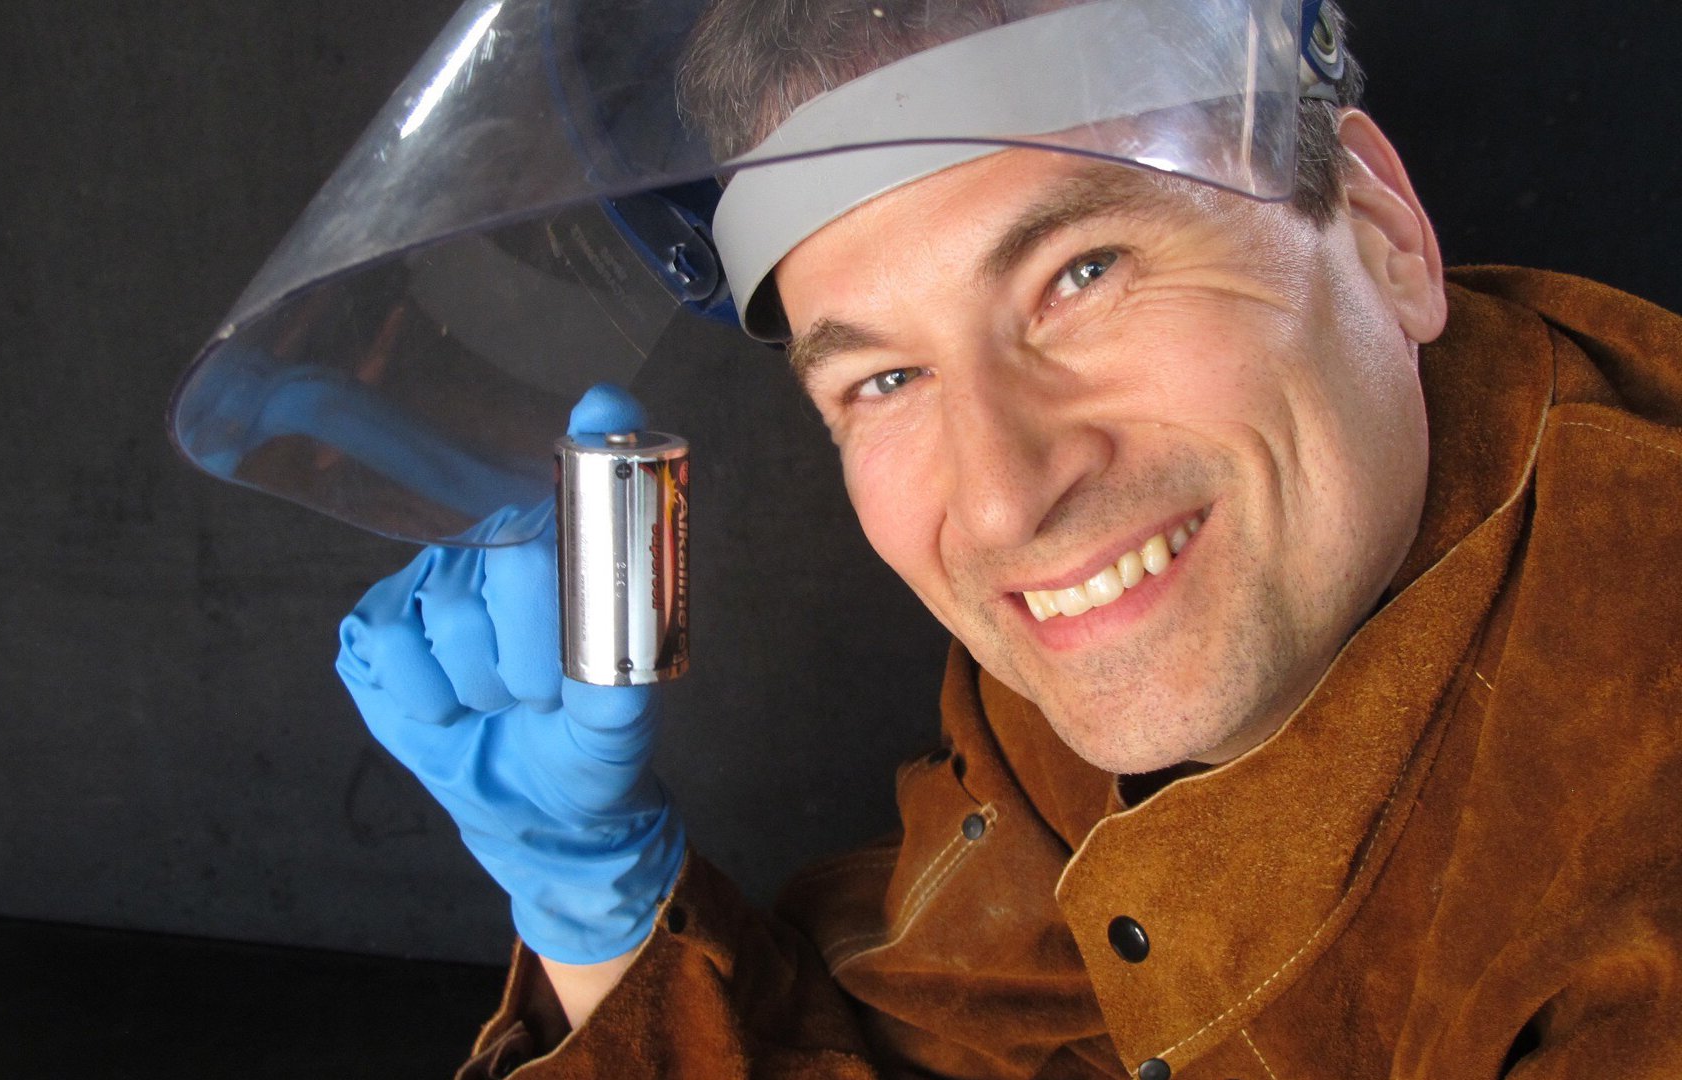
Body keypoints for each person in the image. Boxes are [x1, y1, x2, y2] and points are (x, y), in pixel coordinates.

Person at [332, 1, 1682, 1075]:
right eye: (884, 378)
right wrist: (600, 915)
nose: (999, 503)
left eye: (1082, 275)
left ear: (1382, 234)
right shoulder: (1061, 721)